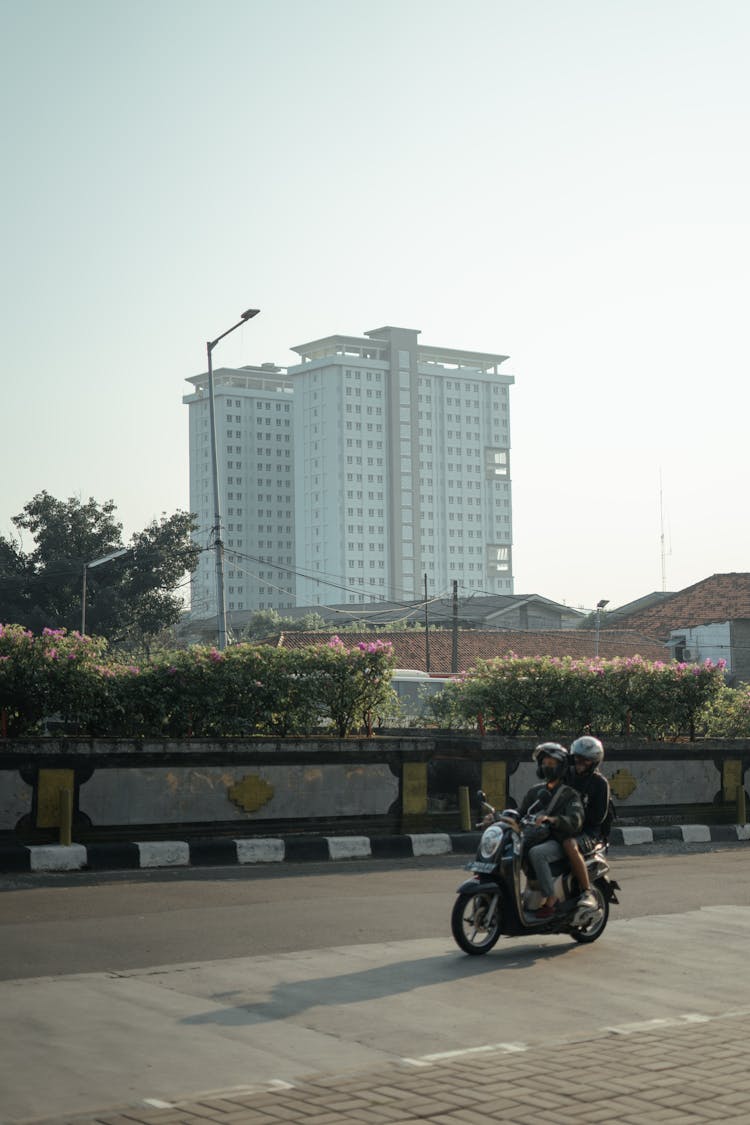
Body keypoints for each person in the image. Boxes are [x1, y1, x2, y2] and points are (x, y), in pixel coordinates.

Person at [519, 742, 584, 919]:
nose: (547, 767)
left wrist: (553, 819)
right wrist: (497, 818)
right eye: (544, 763)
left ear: (561, 767)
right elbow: (520, 814)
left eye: (552, 764)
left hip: (558, 841)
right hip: (536, 837)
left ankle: (551, 898)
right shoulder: (535, 792)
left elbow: (575, 820)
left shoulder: (569, 794)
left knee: (537, 854)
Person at [562, 736, 611, 907]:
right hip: (564, 826)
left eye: (586, 760)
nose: (580, 762)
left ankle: (586, 891)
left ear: (595, 762)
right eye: (577, 757)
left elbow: (598, 817)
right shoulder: (565, 777)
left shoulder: (600, 784)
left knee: (569, 844)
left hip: (589, 832)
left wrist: (572, 819)